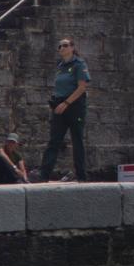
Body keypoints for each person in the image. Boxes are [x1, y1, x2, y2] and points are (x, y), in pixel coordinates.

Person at [41, 35, 90, 180]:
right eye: (60, 46)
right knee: (54, 140)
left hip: (74, 105)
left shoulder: (79, 64)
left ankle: (81, 175)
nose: (62, 48)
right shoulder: (60, 66)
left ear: (72, 48)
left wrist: (66, 103)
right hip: (59, 105)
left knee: (77, 140)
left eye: (65, 45)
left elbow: (82, 87)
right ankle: (43, 174)